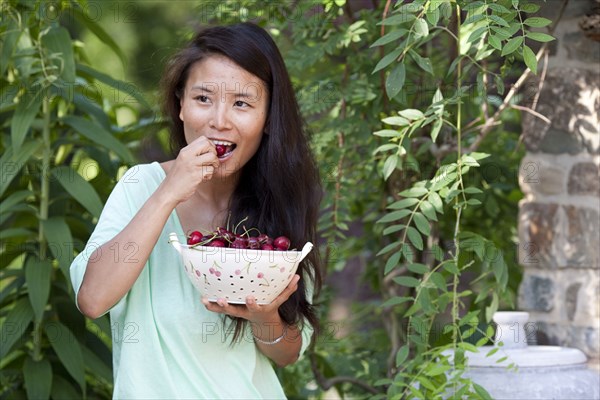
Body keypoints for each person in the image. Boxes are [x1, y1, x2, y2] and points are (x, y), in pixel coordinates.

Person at [70, 22, 322, 399]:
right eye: (203, 98)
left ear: (268, 119)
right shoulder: (143, 186)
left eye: (242, 103)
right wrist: (168, 193)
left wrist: (263, 317)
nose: (219, 120)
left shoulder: (281, 202)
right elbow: (93, 299)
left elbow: (287, 352)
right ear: (180, 105)